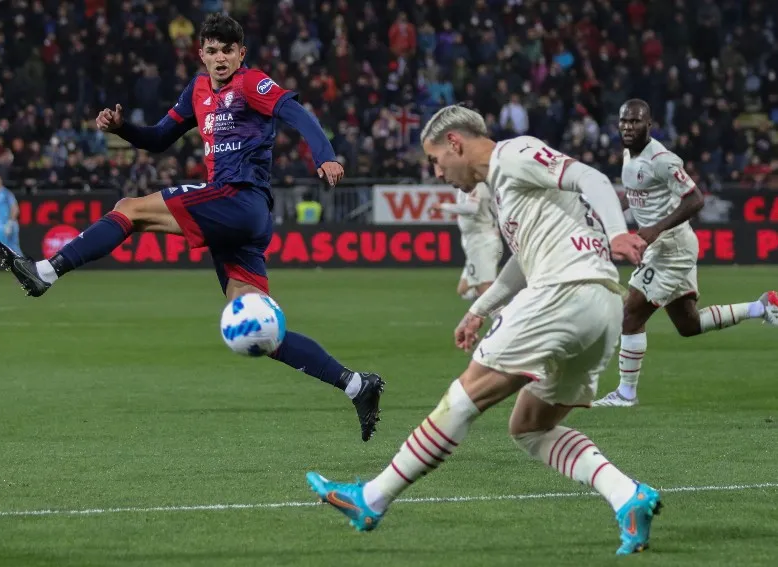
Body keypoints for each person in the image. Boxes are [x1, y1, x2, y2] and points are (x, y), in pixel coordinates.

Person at [0, 13, 384, 442]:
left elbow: (298, 113)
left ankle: (46, 272)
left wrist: (324, 155)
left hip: (240, 201)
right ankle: (356, 385)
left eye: (228, 51)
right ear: (201, 54)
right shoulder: (197, 90)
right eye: (212, 51)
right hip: (234, 220)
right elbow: (160, 138)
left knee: (130, 207)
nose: (220, 59)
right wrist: (123, 129)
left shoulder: (252, 83)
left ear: (241, 54)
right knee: (261, 328)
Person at [305, 105, 661, 555]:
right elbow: (521, 262)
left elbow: (589, 177)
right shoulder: (505, 188)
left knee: (463, 397)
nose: (438, 171)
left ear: (456, 142)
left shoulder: (514, 153)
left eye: (437, 160)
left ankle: (371, 499)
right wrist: (480, 309)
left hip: (562, 293)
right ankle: (628, 497)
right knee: (531, 427)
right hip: (601, 307)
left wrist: (616, 232)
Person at [594, 99, 778, 407]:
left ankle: (626, 394)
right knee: (688, 325)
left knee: (631, 313)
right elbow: (637, 195)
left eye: (635, 121)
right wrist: (608, 211)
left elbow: (695, 198)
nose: (628, 126)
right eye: (624, 121)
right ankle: (761, 307)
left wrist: (656, 229)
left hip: (670, 251)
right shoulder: (629, 154)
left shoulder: (663, 159)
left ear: (649, 125)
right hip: (665, 248)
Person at [430, 182, 502, 300]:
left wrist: (443, 206)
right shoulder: (465, 187)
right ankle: (496, 309)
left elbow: (472, 208)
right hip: (476, 242)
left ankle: (503, 315)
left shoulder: (477, 185)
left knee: (484, 289)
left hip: (483, 242)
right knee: (464, 291)